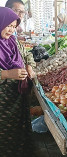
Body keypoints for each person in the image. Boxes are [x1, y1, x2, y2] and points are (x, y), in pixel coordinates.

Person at [0, 7, 34, 156]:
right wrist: (7, 73)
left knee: (20, 131)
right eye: (8, 25)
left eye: (14, 27)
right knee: (5, 135)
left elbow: (27, 56)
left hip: (18, 97)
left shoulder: (14, 41)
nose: (11, 30)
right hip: (3, 103)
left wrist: (29, 66)